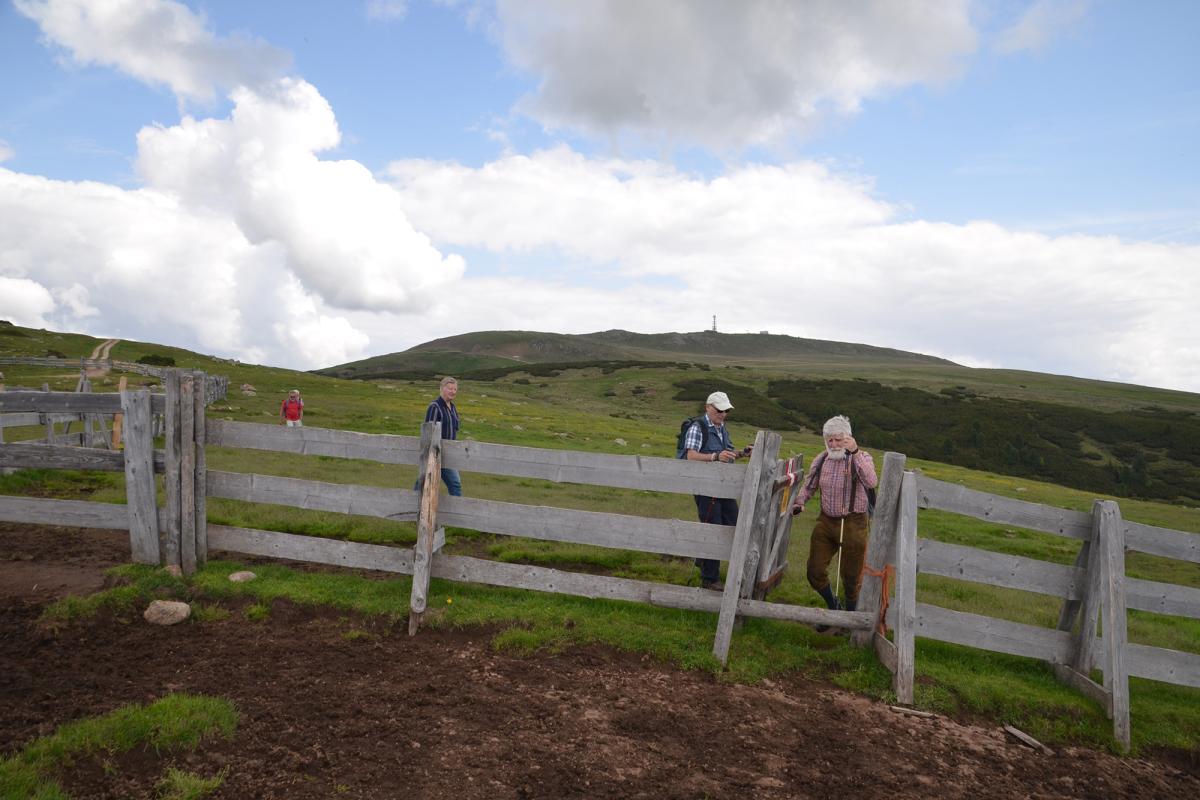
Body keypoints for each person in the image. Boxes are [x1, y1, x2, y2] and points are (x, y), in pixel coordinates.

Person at [791, 415, 878, 624]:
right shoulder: (822, 459)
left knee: (851, 578)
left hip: (854, 524)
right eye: (829, 439)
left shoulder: (862, 457)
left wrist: (855, 452)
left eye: (838, 439)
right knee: (814, 571)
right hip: (826, 521)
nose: (834, 444)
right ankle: (833, 607)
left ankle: (849, 620)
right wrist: (799, 501)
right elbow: (810, 485)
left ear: (848, 437)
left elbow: (871, 481)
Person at [679, 391, 753, 590]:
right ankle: (709, 579)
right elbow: (690, 456)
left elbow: (725, 454)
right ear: (708, 407)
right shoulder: (697, 427)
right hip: (705, 488)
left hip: (723, 487)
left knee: (735, 523)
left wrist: (742, 453)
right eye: (719, 410)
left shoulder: (722, 428)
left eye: (726, 410)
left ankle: (703, 560)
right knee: (713, 528)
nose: (722, 414)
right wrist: (714, 457)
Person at [415, 376, 462, 497]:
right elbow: (429, 432)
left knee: (424, 479)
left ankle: (412, 501)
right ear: (442, 389)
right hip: (436, 452)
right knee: (453, 483)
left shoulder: (453, 408)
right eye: (450, 388)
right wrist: (432, 454)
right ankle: (457, 513)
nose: (453, 391)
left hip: (449, 453)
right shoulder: (435, 407)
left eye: (455, 389)